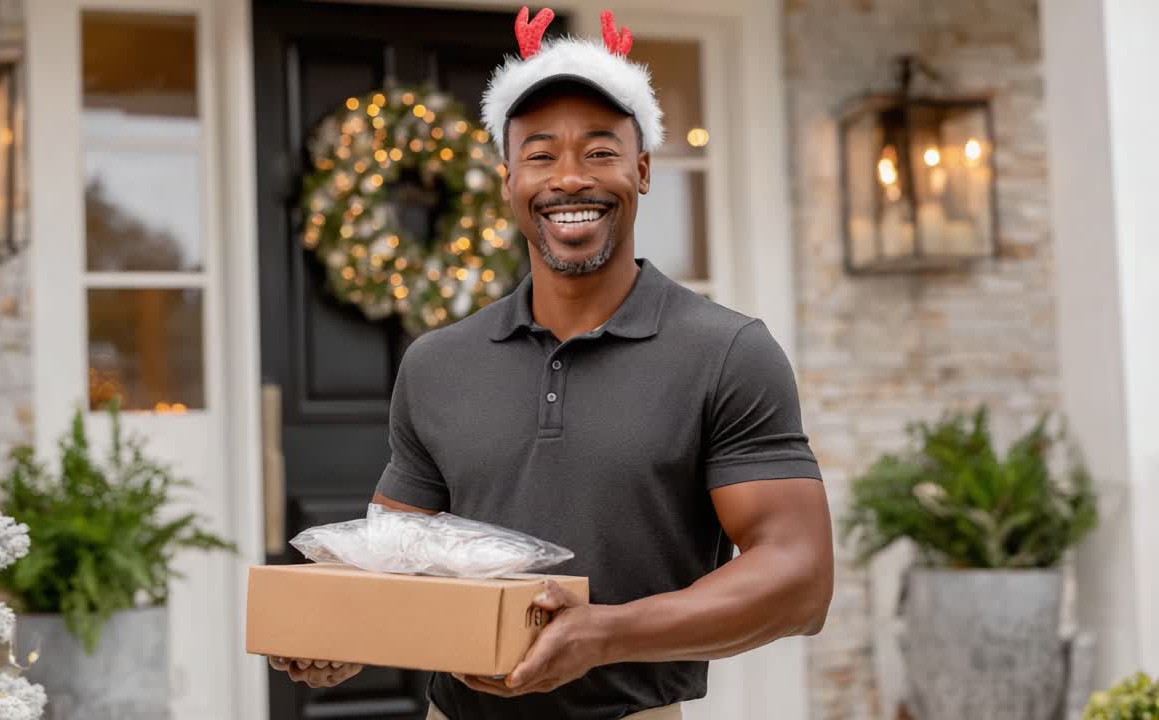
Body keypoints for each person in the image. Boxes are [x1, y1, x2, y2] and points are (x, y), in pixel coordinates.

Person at [269, 7, 834, 719]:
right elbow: (392, 561)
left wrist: (606, 635)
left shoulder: (727, 353)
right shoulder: (437, 363)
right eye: (540, 155)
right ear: (508, 180)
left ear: (642, 170)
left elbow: (800, 580)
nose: (569, 179)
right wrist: (338, 629)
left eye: (599, 152)